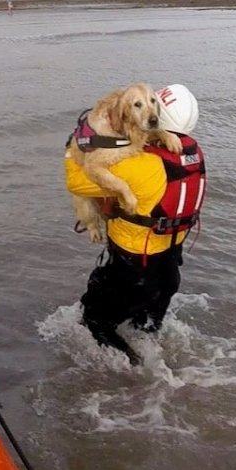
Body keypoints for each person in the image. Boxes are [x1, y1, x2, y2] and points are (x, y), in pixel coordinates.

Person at [63, 84, 206, 365]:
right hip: (170, 255)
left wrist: (72, 149)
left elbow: (76, 181)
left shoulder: (142, 165)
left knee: (95, 320)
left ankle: (132, 369)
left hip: (133, 255)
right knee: (148, 318)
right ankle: (149, 340)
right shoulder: (193, 154)